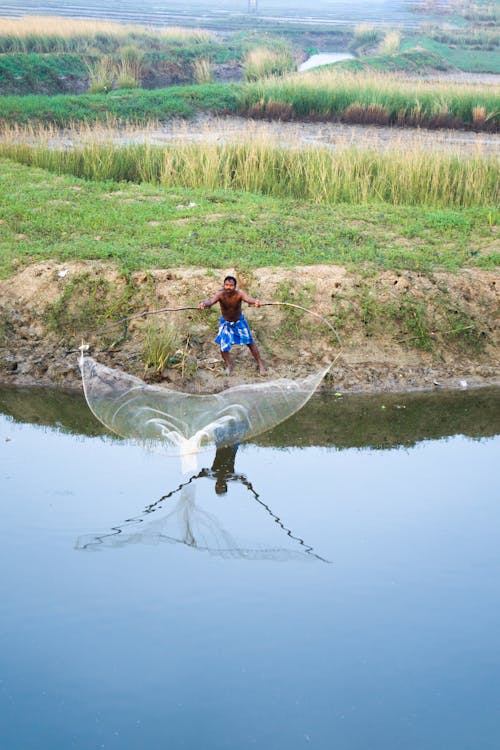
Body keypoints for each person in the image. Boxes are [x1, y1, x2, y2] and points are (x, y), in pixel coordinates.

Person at [198, 275, 265, 374]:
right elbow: (210, 301)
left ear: (235, 286)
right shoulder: (220, 295)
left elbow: (248, 299)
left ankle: (260, 365)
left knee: (250, 342)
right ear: (224, 285)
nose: (228, 287)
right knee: (223, 345)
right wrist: (203, 304)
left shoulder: (239, 294)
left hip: (239, 322)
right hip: (226, 323)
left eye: (231, 285)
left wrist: (256, 302)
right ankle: (228, 366)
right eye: (226, 285)